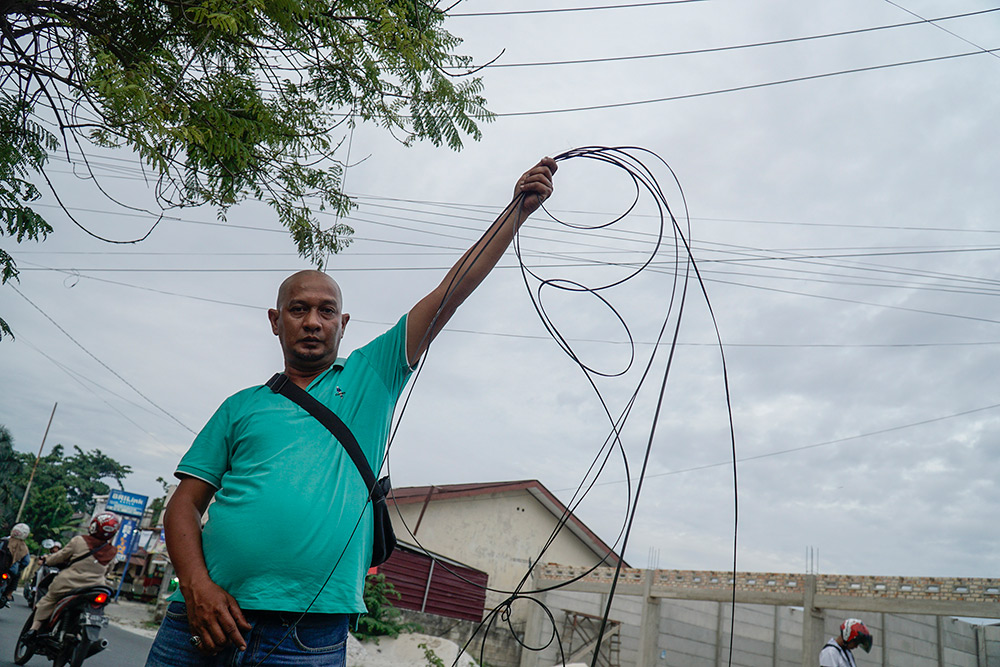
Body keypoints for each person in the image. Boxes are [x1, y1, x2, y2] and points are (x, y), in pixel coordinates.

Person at [145, 158, 557, 667]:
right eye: (298, 309)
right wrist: (197, 586)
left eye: (325, 312)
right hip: (200, 621)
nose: (312, 322)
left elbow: (450, 293)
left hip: (305, 638)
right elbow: (183, 506)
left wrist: (515, 212)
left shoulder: (371, 376)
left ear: (343, 323)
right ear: (276, 321)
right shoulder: (241, 407)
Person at [23, 513, 119, 641]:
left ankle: (33, 629)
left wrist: (48, 560)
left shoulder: (79, 541)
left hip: (68, 584)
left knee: (49, 600)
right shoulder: (112, 551)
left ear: (94, 526)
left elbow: (59, 557)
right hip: (95, 587)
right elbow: (108, 570)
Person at [1, 522, 31, 606]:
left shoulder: (4, 540)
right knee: (16, 575)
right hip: (11, 570)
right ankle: (8, 594)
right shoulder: (23, 546)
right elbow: (26, 561)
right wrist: (19, 567)